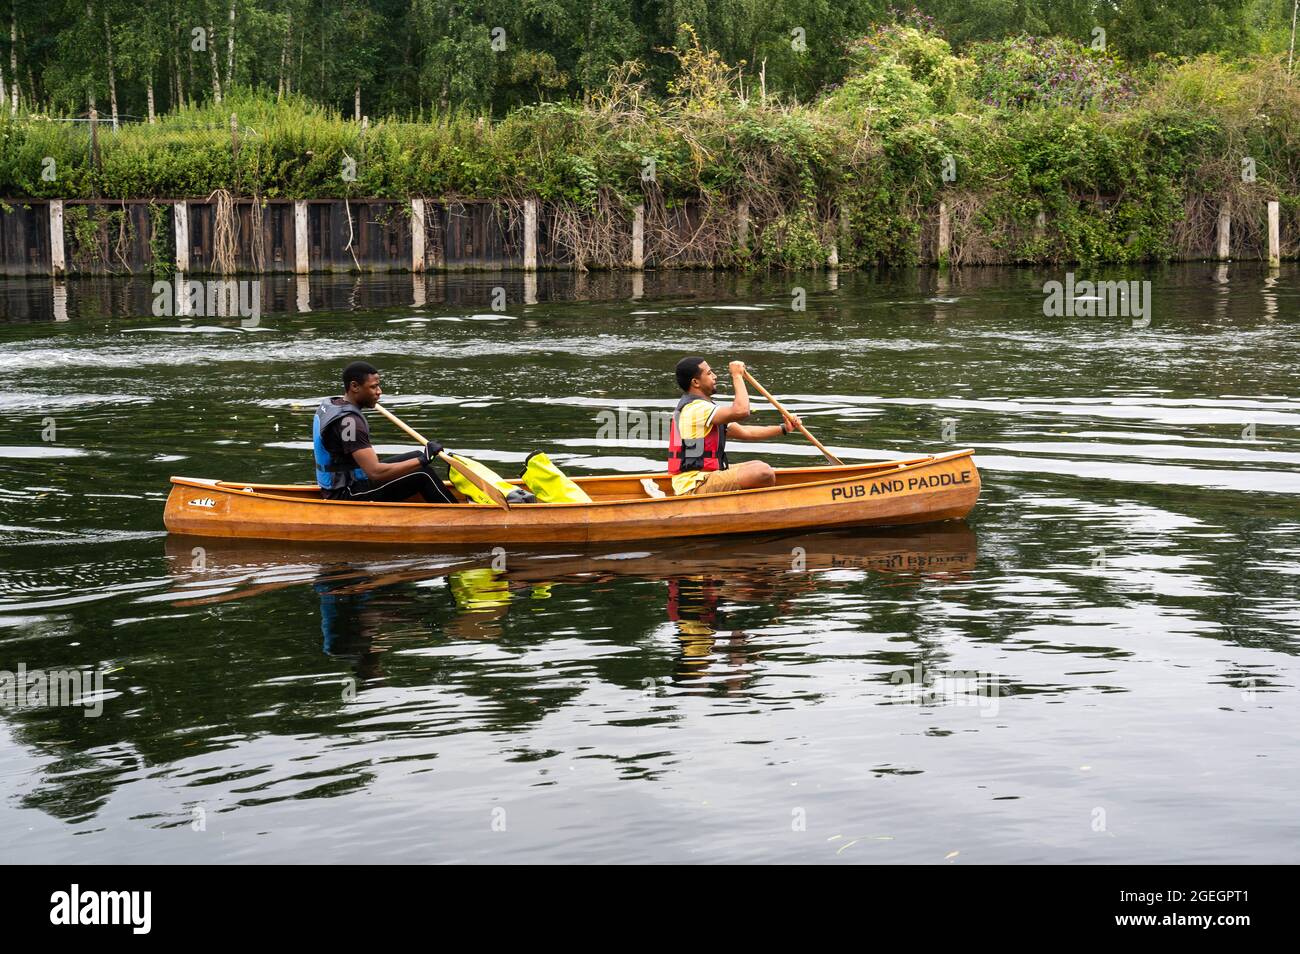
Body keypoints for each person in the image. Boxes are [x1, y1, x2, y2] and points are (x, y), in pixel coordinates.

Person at [312, 361, 458, 503]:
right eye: (373, 387)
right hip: (344, 493)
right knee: (422, 472)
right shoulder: (349, 423)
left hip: (346, 481)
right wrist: (425, 459)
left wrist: (421, 459)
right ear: (354, 386)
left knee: (416, 456)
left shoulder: (332, 404)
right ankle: (456, 515)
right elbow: (375, 472)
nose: (379, 392)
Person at [667, 357, 802, 496]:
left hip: (706, 476)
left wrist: (784, 428)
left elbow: (745, 432)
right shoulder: (696, 409)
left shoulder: (702, 408)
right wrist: (737, 376)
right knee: (763, 472)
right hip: (695, 484)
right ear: (695, 382)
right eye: (709, 373)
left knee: (758, 465)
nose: (715, 376)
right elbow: (741, 411)